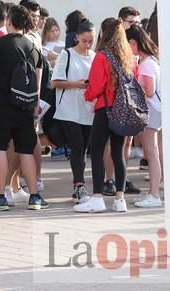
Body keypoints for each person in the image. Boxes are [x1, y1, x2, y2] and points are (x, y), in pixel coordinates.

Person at [0, 5, 48, 211]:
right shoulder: (34, 47)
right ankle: (34, 196)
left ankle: (0, 196)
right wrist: (35, 110)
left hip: (2, 104)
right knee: (25, 150)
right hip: (26, 106)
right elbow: (37, 83)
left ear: (9, 21)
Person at [76, 18, 134, 213]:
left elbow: (96, 86)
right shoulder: (128, 57)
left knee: (98, 153)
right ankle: (120, 199)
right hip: (122, 110)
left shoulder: (102, 56)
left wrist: (87, 94)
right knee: (118, 154)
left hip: (105, 109)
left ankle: (98, 197)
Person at [51, 20, 95, 204]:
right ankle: (79, 185)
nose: (87, 44)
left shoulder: (95, 56)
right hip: (69, 109)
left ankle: (81, 185)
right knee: (77, 148)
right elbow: (55, 82)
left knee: (84, 148)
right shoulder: (66, 54)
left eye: (91, 41)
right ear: (77, 37)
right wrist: (76, 84)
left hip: (89, 109)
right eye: (84, 40)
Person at [125, 25, 163, 208]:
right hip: (155, 110)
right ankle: (153, 193)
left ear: (133, 43)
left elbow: (149, 90)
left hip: (152, 111)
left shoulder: (147, 64)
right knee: (152, 152)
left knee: (151, 152)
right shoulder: (150, 61)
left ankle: (154, 194)